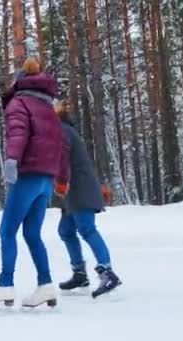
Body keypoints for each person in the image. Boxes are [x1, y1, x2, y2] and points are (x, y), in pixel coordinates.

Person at [0, 58, 69, 308]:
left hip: (28, 175)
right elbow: (60, 145)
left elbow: (19, 133)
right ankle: (46, 285)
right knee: (31, 233)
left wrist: (11, 160)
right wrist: (62, 177)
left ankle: (5, 284)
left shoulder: (19, 103)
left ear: (19, 80)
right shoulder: (49, 107)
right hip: (45, 179)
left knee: (7, 230)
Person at [53, 99, 122, 298]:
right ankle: (80, 273)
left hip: (79, 188)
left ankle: (107, 272)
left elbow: (62, 157)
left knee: (86, 228)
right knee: (65, 230)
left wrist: (60, 180)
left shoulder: (62, 130)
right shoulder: (60, 130)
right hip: (72, 190)